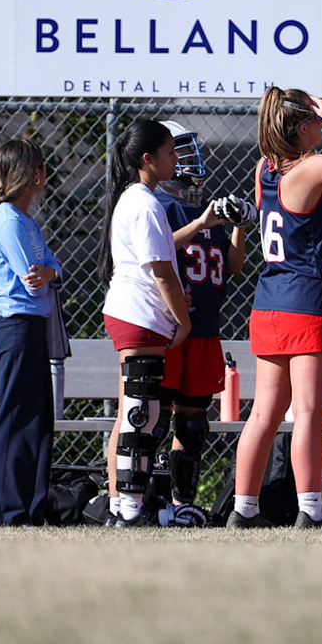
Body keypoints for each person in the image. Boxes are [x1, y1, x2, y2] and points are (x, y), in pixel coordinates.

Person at [229, 89, 322, 528]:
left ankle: (244, 509)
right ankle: (311, 511)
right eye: (316, 120)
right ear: (301, 128)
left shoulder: (265, 168)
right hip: (309, 304)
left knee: (264, 413)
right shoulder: (309, 168)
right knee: (309, 414)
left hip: (270, 303)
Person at [98, 120, 191, 526]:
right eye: (170, 153)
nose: (176, 160)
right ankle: (131, 509)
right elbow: (162, 272)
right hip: (140, 315)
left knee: (133, 411)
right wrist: (182, 320)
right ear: (148, 159)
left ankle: (121, 504)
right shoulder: (147, 204)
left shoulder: (133, 199)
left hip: (132, 312)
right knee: (142, 413)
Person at [153, 121, 248, 520]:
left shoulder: (204, 209)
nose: (188, 160)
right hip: (171, 329)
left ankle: (183, 505)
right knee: (152, 421)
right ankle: (132, 500)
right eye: (178, 152)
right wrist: (200, 224)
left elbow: (233, 266)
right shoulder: (159, 206)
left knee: (192, 425)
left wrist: (241, 224)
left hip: (206, 328)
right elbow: (152, 250)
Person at [0, 138, 61, 526]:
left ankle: (28, 508)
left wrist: (52, 271)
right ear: (34, 175)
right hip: (15, 326)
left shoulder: (26, 221)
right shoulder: (8, 220)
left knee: (37, 419)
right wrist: (50, 272)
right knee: (14, 419)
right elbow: (34, 279)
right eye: (41, 168)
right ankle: (1, 513)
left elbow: (51, 267)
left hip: (33, 326)